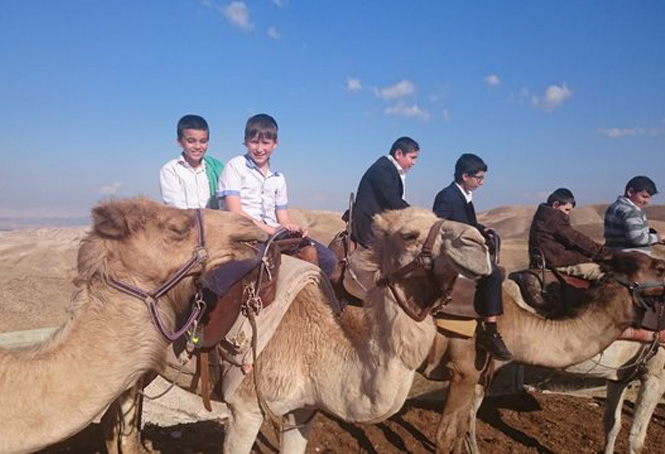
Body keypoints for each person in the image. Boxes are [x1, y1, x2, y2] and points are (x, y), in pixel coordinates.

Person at [217, 113, 336, 277]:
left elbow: (283, 218)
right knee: (250, 263)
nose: (259, 149)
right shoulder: (235, 166)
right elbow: (235, 212)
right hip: (245, 232)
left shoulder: (278, 179)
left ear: (275, 144)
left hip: (274, 233)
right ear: (245, 141)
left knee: (329, 259)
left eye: (266, 143)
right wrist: (271, 230)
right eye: (254, 142)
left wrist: (292, 227)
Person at [432, 153, 512, 360]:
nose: (481, 182)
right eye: (478, 178)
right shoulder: (446, 196)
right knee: (492, 273)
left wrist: (482, 229)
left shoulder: (463, 196)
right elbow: (441, 226)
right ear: (464, 176)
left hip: (463, 249)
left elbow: (467, 224)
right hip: (451, 253)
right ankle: (490, 330)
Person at [350, 136, 420, 248]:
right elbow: (392, 199)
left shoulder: (390, 169)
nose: (414, 162)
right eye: (412, 158)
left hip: (379, 225)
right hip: (369, 228)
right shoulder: (382, 169)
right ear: (398, 154)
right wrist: (416, 215)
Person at [528, 188, 611, 280]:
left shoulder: (543, 215)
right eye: (566, 209)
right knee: (602, 273)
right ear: (555, 205)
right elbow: (575, 239)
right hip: (556, 260)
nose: (567, 214)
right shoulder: (555, 219)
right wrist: (603, 253)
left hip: (544, 259)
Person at [159, 114, 223, 209]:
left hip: (214, 222)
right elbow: (178, 210)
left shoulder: (216, 168)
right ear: (179, 142)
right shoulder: (170, 170)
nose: (197, 146)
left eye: (203, 141)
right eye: (191, 141)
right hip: (185, 222)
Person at [604, 176, 664, 256]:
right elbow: (636, 239)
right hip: (634, 259)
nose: (647, 202)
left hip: (615, 255)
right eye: (644, 196)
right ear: (630, 192)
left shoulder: (613, 207)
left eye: (649, 198)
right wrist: (658, 237)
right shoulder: (631, 211)